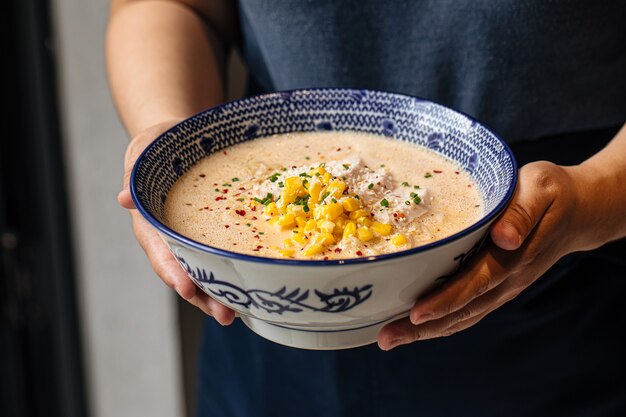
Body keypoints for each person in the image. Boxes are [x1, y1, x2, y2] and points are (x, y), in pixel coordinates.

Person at [106, 1, 626, 416]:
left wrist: (594, 195)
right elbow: (168, 6)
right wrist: (168, 138)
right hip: (263, 312)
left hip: (558, 286)